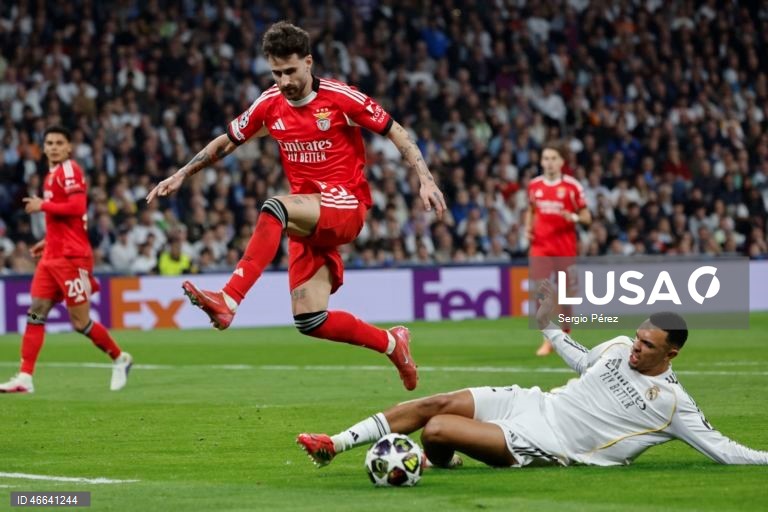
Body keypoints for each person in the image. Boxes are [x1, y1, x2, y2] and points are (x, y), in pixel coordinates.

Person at [146, 21, 446, 391]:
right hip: (308, 214)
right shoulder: (269, 103)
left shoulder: (340, 98)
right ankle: (391, 343)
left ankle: (229, 298)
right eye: (276, 72)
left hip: (345, 204)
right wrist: (181, 174)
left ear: (308, 62)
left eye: (290, 71)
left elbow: (395, 131)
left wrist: (426, 179)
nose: (284, 81)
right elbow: (226, 142)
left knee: (275, 207)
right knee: (310, 319)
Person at [297, 280, 768, 469]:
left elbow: (724, 450)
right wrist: (548, 324)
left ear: (673, 354)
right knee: (432, 405)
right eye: (638, 337)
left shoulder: (672, 404)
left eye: (648, 346)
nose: (636, 349)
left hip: (551, 442)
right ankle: (334, 445)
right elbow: (584, 359)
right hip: (535, 402)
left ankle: (431, 459)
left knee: (438, 430)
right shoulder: (619, 345)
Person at [0, 126, 132, 394]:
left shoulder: (70, 170)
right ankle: (25, 376)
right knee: (36, 312)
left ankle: (120, 358)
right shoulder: (51, 175)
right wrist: (47, 241)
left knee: (80, 322)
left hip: (74, 259)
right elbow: (70, 221)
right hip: (52, 257)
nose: (54, 147)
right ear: (44, 146)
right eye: (49, 142)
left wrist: (42, 205)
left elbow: (78, 208)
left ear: (69, 147)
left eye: (60, 142)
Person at [524, 140, 591, 356]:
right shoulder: (534, 185)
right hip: (540, 247)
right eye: (546, 158)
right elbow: (531, 210)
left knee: (566, 295)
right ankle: (548, 339)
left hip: (564, 247)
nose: (549, 163)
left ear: (562, 161)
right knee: (540, 293)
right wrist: (528, 229)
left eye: (554, 158)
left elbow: (586, 217)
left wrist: (572, 217)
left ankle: (566, 335)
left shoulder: (572, 187)